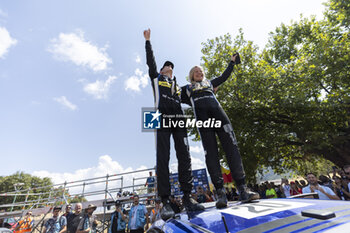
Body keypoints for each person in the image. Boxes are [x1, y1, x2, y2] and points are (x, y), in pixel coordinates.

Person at [181, 54, 259, 208]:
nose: (199, 72)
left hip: (220, 115)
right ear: (191, 75)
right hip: (203, 120)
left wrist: (232, 62)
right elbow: (169, 92)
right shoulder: (186, 89)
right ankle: (220, 194)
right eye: (196, 71)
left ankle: (242, 189)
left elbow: (224, 76)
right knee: (211, 152)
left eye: (201, 71)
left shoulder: (210, 83)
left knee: (232, 147)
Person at [143, 28, 204, 219]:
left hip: (178, 121)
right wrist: (148, 42)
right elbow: (151, 63)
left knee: (185, 156)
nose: (169, 67)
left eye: (171, 66)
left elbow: (198, 89)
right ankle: (166, 201)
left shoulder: (179, 88)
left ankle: (187, 197)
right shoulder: (156, 79)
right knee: (163, 157)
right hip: (159, 117)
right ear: (161, 71)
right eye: (166, 66)